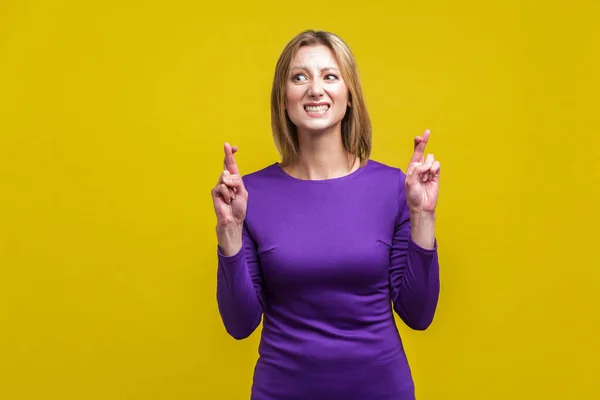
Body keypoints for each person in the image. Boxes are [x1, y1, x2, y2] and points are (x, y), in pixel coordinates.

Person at [211, 30, 441, 400]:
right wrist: (230, 231)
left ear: (349, 96)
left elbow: (418, 313)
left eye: (330, 76)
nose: (315, 89)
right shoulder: (248, 194)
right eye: (299, 77)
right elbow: (239, 324)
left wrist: (422, 214)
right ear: (283, 99)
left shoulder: (395, 187)